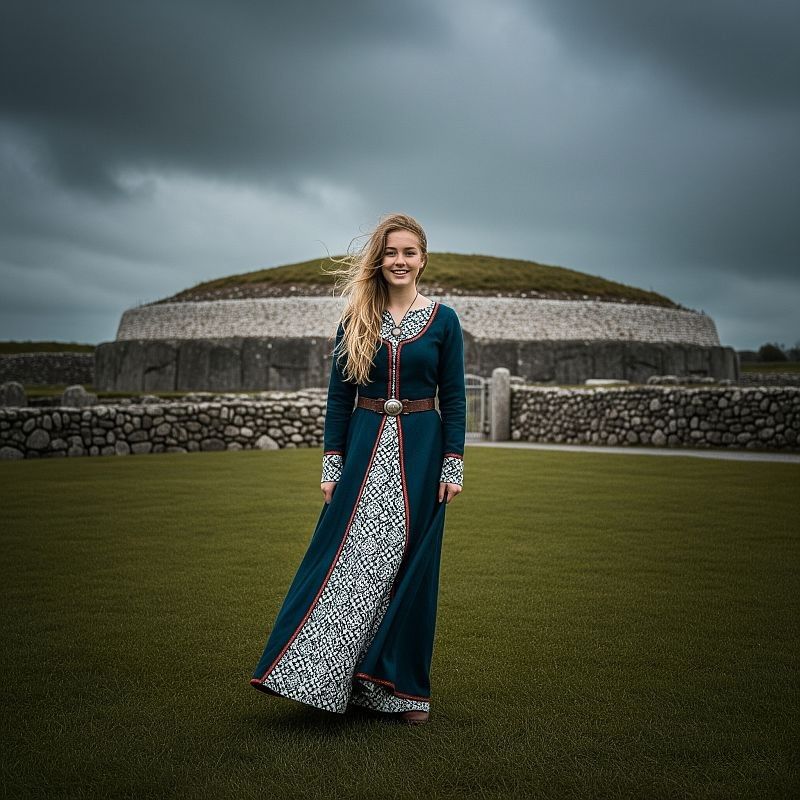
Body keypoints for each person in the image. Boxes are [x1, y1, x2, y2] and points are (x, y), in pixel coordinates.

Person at [249, 213, 466, 725]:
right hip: (364, 449)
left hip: (421, 454)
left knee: (406, 568)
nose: (400, 261)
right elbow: (338, 398)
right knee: (347, 563)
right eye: (391, 252)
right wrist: (332, 462)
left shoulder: (444, 320)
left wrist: (453, 463)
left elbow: (454, 398)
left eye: (409, 252)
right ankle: (321, 678)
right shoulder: (355, 319)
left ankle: (398, 690)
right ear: (379, 258)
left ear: (423, 259)